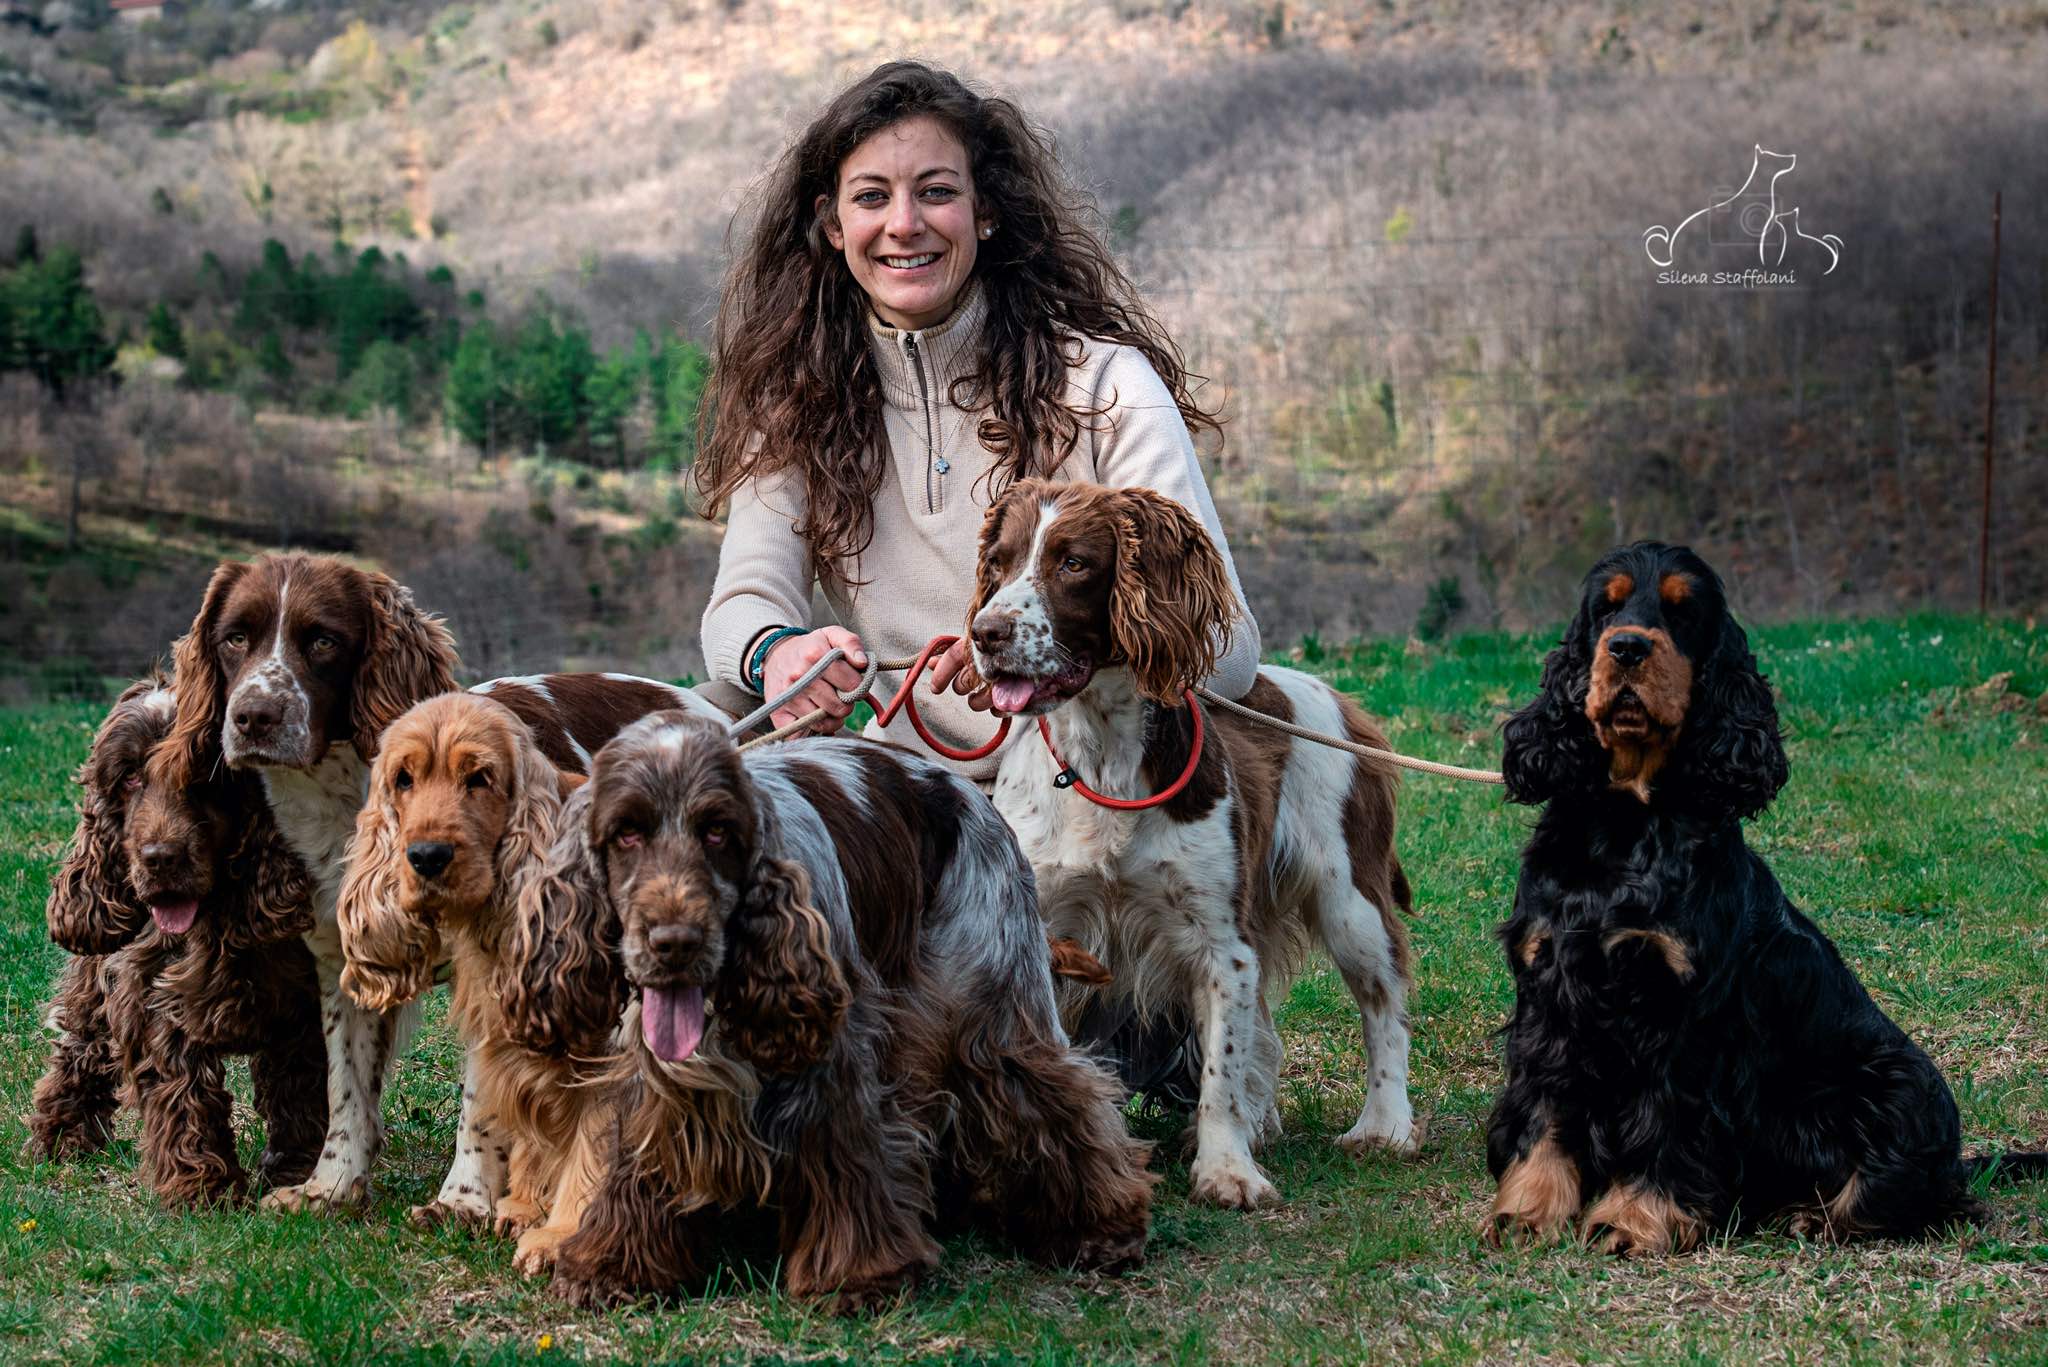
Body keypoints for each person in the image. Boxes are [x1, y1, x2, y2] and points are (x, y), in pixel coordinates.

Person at [695, 62, 1259, 1104]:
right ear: (830, 225)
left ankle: (1103, 1032)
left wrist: (1062, 653)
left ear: (987, 211)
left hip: (1076, 807)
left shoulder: (1106, 382)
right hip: (899, 806)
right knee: (697, 724)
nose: (903, 224)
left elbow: (1226, 651)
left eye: (936, 191)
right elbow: (739, 614)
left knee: (975, 1082)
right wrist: (784, 654)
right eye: (871, 196)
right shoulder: (794, 405)